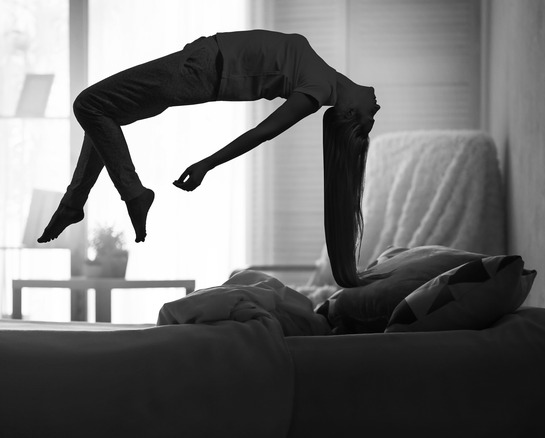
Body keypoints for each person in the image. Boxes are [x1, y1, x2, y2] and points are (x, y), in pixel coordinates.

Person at [37, 29, 380, 287]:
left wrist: (206, 164)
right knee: (103, 117)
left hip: (200, 70)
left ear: (349, 112)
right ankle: (74, 204)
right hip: (201, 64)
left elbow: (262, 133)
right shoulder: (321, 75)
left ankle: (130, 193)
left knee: (89, 104)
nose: (375, 111)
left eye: (367, 121)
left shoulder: (317, 91)